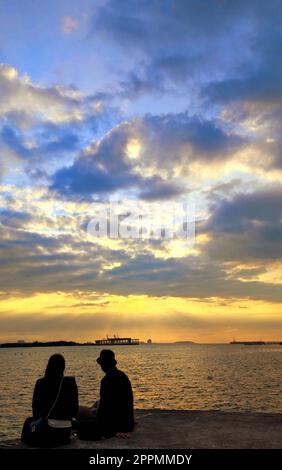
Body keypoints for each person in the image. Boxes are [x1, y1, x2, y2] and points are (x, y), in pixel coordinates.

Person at [21, 354, 78, 446]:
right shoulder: (70, 382)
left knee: (28, 422)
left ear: (48, 366)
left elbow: (35, 409)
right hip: (65, 432)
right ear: (63, 367)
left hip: (48, 430)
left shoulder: (40, 383)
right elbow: (75, 409)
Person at [77, 350, 135, 440]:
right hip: (127, 422)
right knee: (97, 403)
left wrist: (101, 425)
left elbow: (105, 408)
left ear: (103, 364)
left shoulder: (106, 380)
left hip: (114, 423)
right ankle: (92, 411)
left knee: (77, 411)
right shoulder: (123, 375)